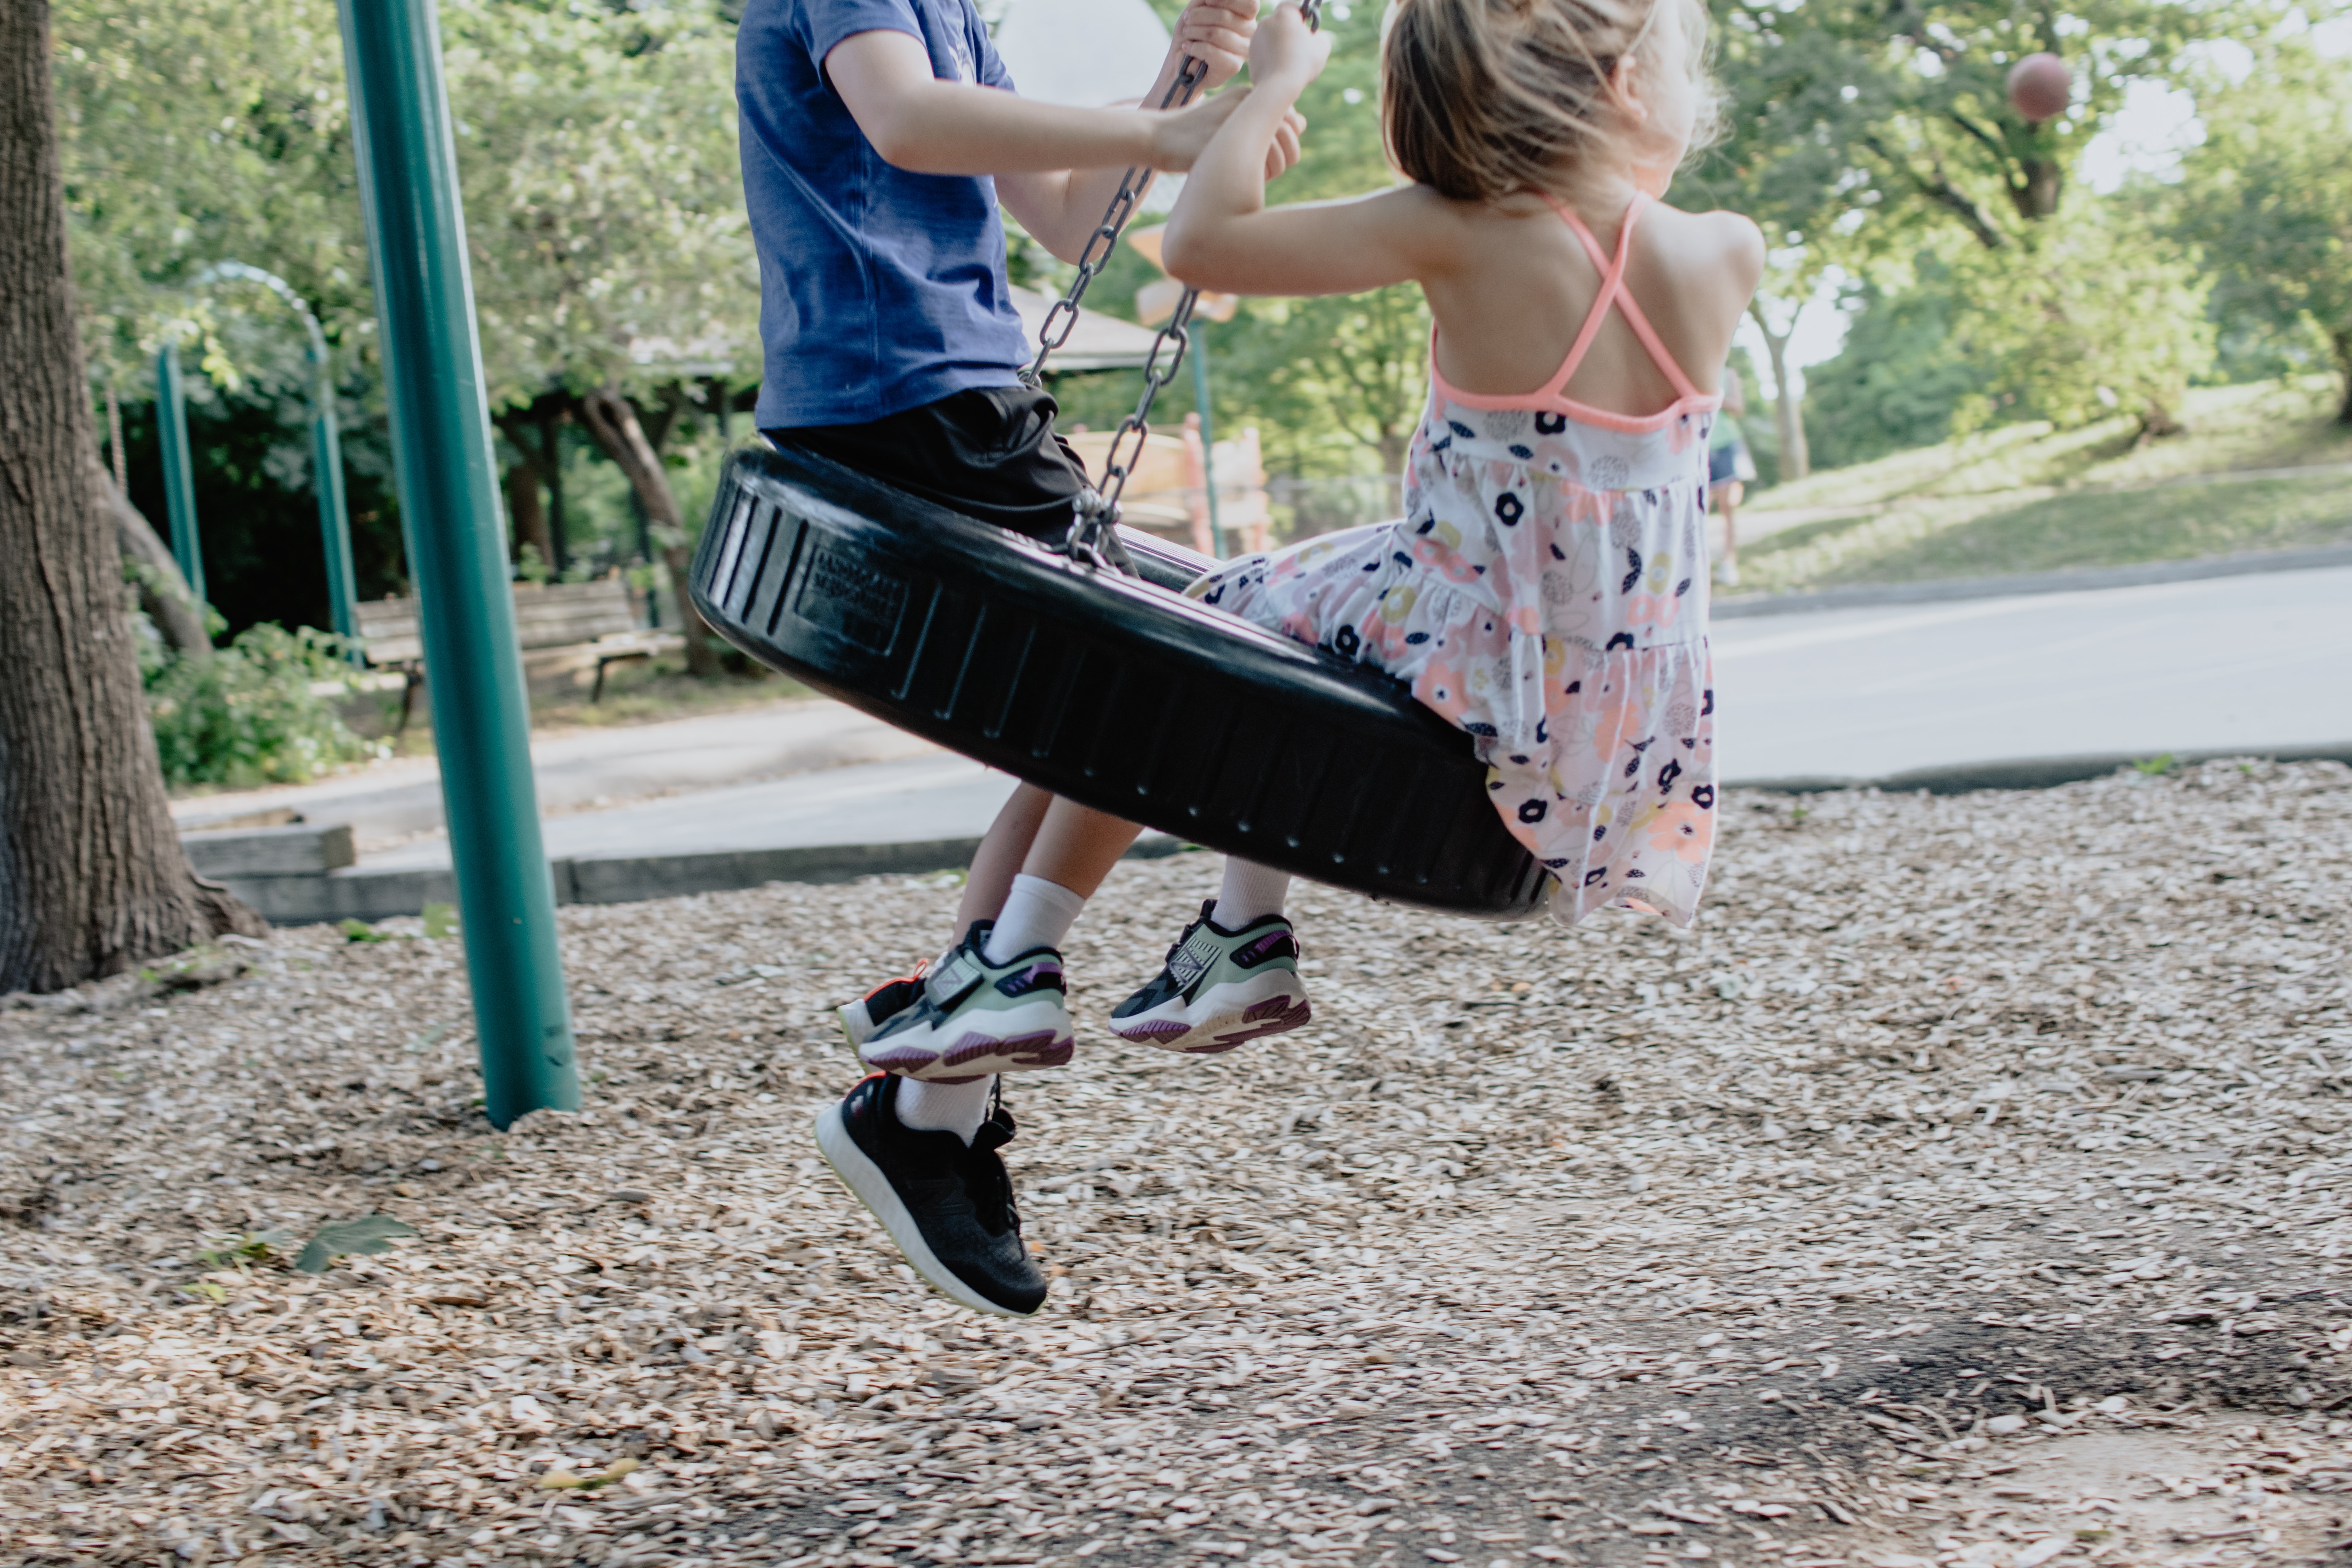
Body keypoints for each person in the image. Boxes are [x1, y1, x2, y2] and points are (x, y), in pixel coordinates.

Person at [740, 0, 1314, 1318]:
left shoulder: (954, 12)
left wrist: (1199, 74)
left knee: (1097, 727)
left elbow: (1068, 225)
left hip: (963, 399)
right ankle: (947, 1098)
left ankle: (936, 1105)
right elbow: (903, 118)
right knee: (1171, 681)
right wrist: (1163, 127)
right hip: (905, 402)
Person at [1708, 368, 1758, 586]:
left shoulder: (1728, 374)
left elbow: (1738, 407)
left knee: (1728, 507)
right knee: (1698, 509)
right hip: (1698, 446)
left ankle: (1729, 563)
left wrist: (1715, 395)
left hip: (1727, 445)